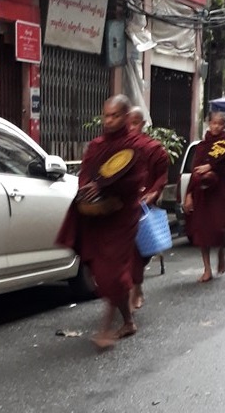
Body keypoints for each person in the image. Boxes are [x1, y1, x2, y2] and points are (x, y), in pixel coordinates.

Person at [56, 94, 145, 349]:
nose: (108, 120)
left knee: (112, 273)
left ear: (126, 117)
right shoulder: (96, 145)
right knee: (102, 272)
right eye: (106, 115)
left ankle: (105, 329)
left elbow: (135, 180)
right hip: (98, 218)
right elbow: (86, 173)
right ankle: (128, 321)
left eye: (115, 115)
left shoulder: (135, 145)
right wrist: (86, 188)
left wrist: (104, 185)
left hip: (121, 215)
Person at [184, 109, 225, 282]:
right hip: (202, 193)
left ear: (224, 126)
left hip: (220, 191)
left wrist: (212, 168)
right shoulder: (202, 146)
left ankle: (221, 250)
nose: (215, 127)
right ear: (208, 123)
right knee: (202, 230)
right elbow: (194, 171)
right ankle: (207, 268)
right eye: (213, 123)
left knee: (219, 226)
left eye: (219, 124)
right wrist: (189, 194)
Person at [126, 106, 170, 310]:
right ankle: (131, 288)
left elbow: (162, 175)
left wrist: (154, 192)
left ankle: (137, 287)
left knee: (140, 251)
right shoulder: (119, 147)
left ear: (143, 124)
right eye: (128, 123)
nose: (131, 127)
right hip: (123, 206)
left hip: (143, 205)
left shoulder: (154, 148)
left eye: (135, 123)